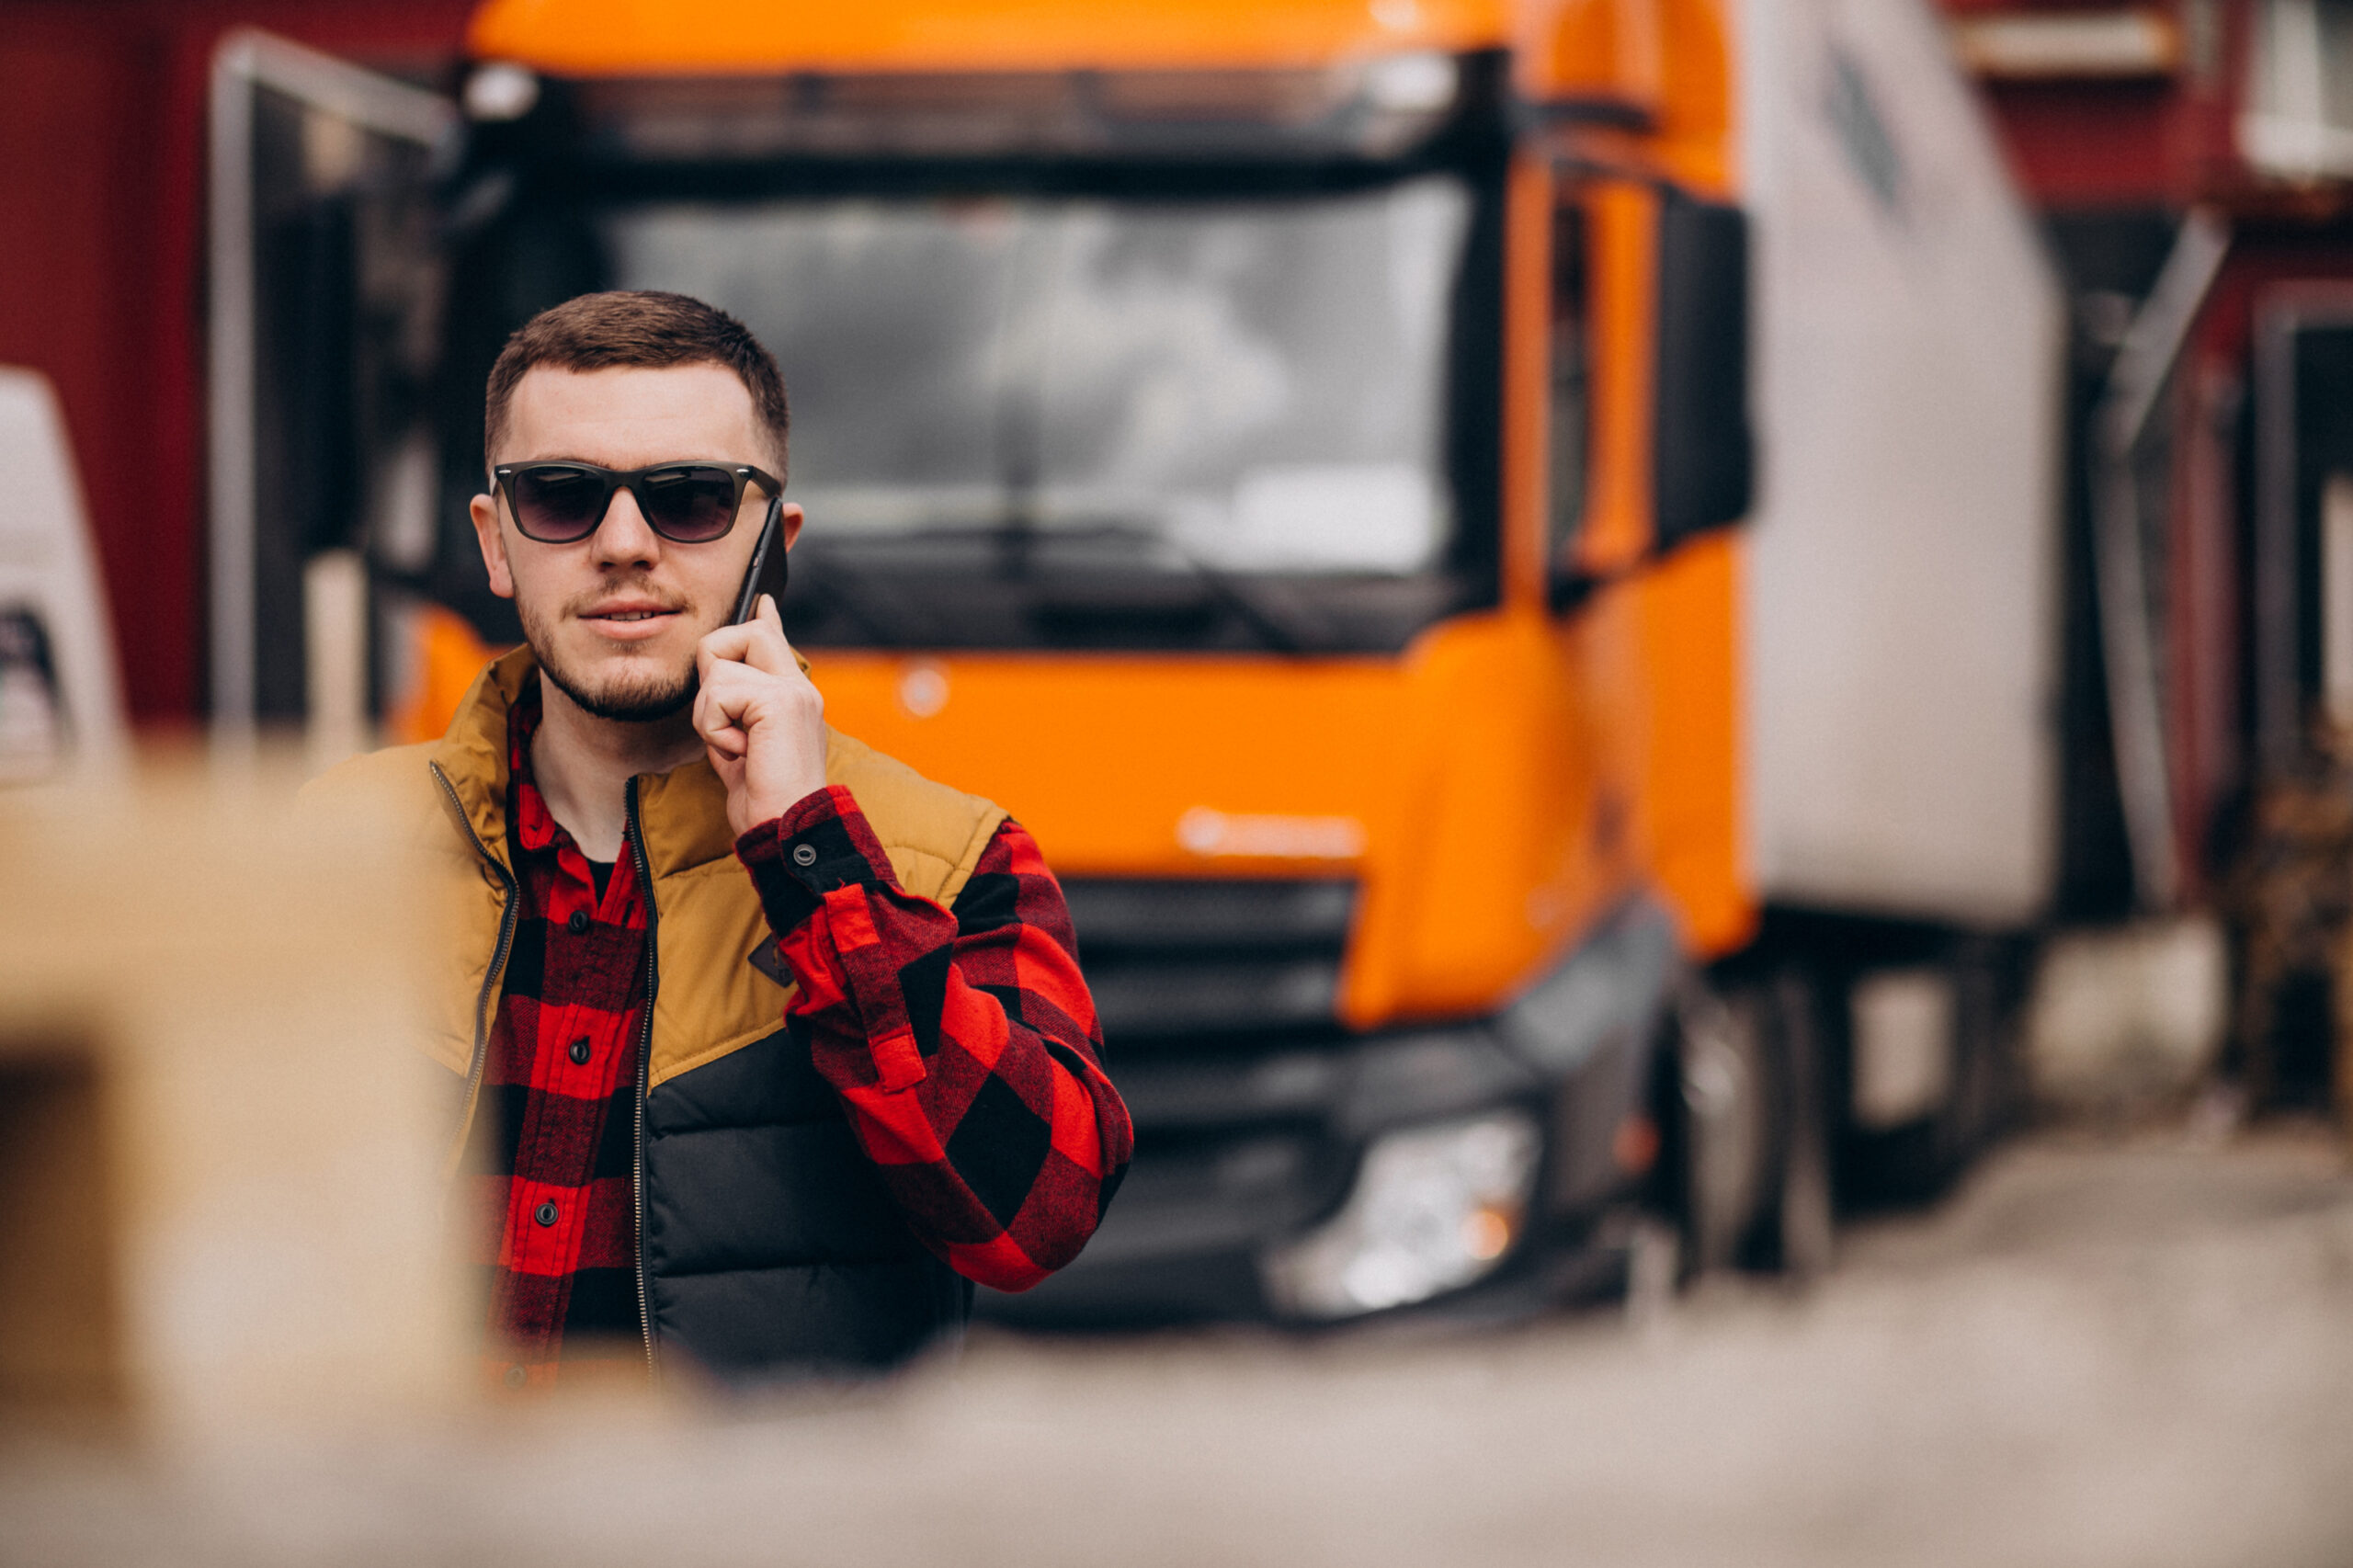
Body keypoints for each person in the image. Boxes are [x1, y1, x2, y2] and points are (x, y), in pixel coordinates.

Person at [306, 290, 1131, 1389]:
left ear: (772, 546)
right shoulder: (333, 847)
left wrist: (810, 859)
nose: (624, 545)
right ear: (494, 543)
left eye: (689, 499)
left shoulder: (950, 857)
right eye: (560, 496)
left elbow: (1039, 1219)